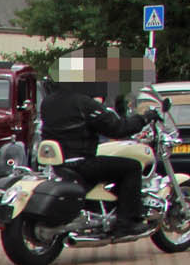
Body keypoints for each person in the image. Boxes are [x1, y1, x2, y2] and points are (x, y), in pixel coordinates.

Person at [41, 82, 146, 236]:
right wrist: (143, 119)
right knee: (132, 167)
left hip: (58, 163)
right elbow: (117, 128)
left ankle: (106, 206)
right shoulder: (83, 102)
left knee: (110, 166)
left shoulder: (48, 102)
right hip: (81, 163)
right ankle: (127, 223)